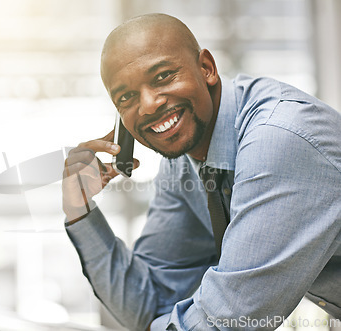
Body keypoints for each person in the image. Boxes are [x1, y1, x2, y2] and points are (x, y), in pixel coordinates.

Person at [62, 13, 341, 331]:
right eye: (126, 97)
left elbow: (228, 319)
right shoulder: (182, 161)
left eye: (163, 76)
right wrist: (79, 211)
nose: (149, 105)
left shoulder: (279, 137)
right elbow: (150, 304)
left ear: (206, 68)